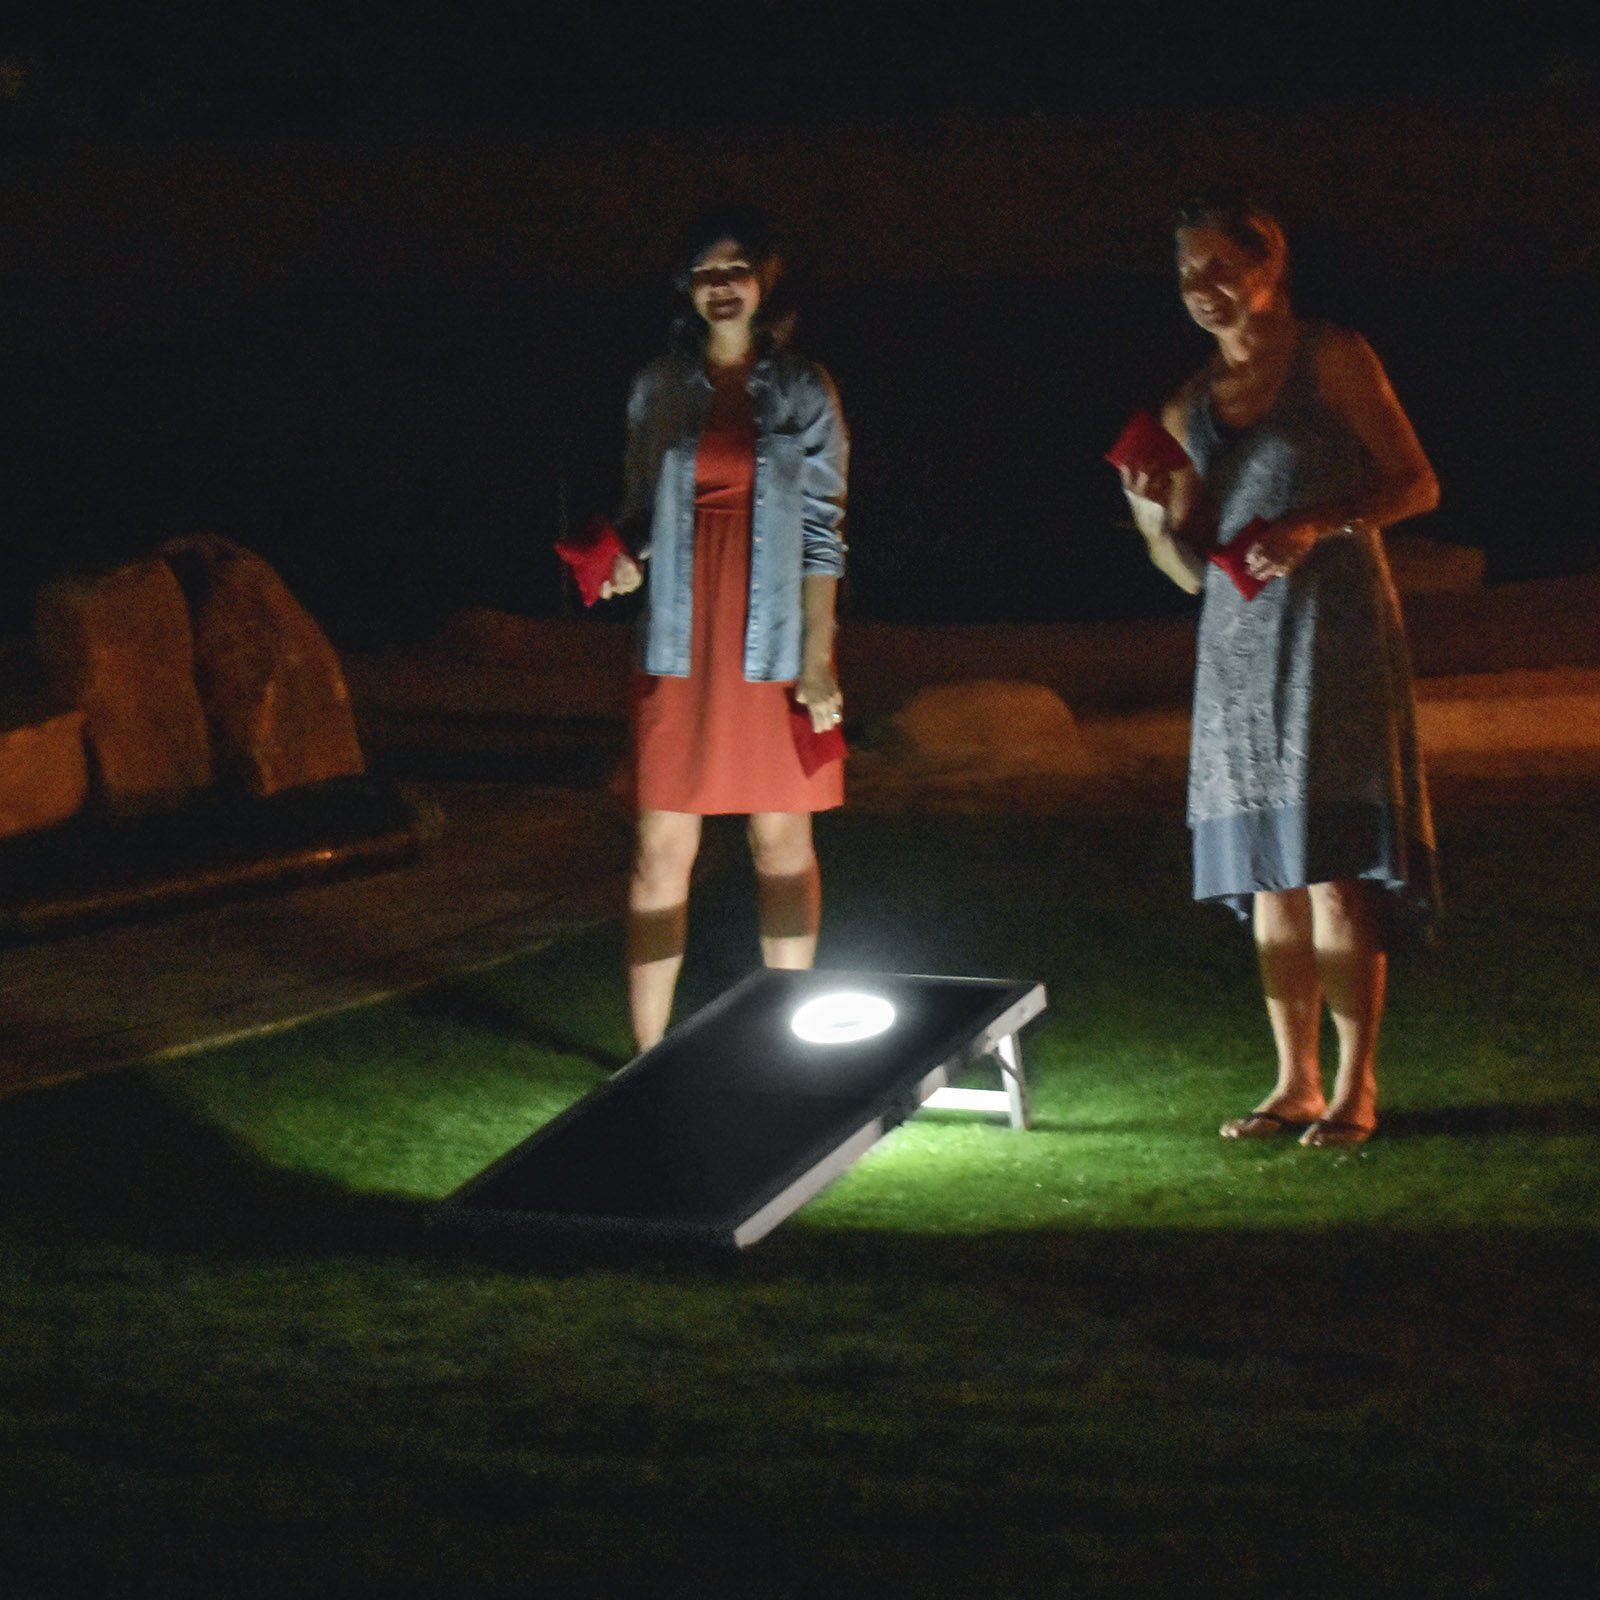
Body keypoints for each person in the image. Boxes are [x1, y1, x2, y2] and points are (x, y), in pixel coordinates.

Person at [1118, 195, 1440, 1148]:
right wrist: (1148, 516)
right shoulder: (1187, 405)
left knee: (1336, 870)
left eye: (1222, 269)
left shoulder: (1333, 357)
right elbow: (1184, 571)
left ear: (1270, 267)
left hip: (1332, 636)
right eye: (1188, 277)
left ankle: (1355, 1088)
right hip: (1235, 656)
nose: (1205, 292)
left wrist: (1318, 520)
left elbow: (1417, 483)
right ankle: (1291, 1084)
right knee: (1269, 875)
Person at [598, 204, 848, 1052]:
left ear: (763, 281)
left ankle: (788, 1038)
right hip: (677, 640)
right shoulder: (657, 386)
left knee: (781, 843)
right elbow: (639, 511)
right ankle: (644, 1058)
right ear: (686, 288)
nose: (720, 285)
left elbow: (824, 530)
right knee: (658, 848)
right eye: (704, 271)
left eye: (734, 268)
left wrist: (817, 658)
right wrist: (625, 559)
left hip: (772, 644)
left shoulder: (804, 388)